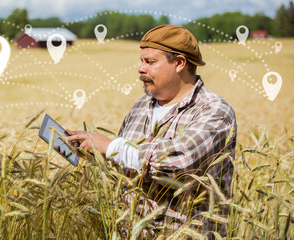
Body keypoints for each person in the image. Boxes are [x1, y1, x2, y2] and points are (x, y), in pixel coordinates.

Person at [66, 24, 237, 236]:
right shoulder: (141, 105)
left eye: (150, 62)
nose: (141, 68)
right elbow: (125, 167)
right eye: (141, 61)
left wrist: (111, 147)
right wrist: (91, 151)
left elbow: (179, 162)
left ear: (179, 63)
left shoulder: (214, 111)